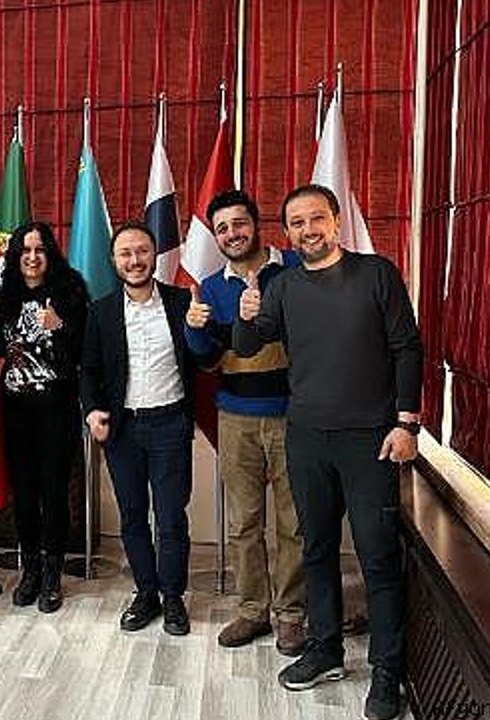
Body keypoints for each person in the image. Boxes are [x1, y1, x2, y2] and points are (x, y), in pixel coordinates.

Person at [233, 184, 422, 720]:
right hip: (306, 437)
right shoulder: (283, 286)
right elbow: (247, 346)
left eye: (316, 218)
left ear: (336, 221)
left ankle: (387, 672)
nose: (307, 230)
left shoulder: (376, 273)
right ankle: (325, 650)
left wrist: (406, 423)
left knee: (377, 557)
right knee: (314, 548)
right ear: (287, 233)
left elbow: (407, 347)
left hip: (371, 440)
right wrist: (245, 314)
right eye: (296, 223)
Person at [184, 190, 307, 656]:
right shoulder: (211, 288)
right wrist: (195, 328)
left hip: (294, 416)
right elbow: (207, 359)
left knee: (295, 522)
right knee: (243, 523)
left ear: (256, 224)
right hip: (236, 416)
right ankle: (254, 609)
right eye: (222, 229)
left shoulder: (295, 268)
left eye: (239, 223)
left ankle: (291, 614)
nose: (232, 234)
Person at [80, 222, 196, 636]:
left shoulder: (183, 302)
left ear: (154, 254)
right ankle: (146, 593)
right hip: (123, 429)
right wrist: (93, 410)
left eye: (142, 251)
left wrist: (202, 329)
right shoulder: (101, 311)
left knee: (171, 517)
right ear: (114, 261)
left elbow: (207, 355)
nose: (135, 260)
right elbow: (88, 369)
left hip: (170, 425)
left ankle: (173, 597)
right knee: (132, 516)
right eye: (126, 253)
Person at [0, 221, 89, 613]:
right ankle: (30, 568)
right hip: (15, 411)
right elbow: (0, 348)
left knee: (53, 493)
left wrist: (60, 326)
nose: (32, 257)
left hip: (56, 410)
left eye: (40, 250)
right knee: (24, 494)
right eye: (25, 250)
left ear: (50, 254)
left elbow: (88, 350)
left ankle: (52, 572)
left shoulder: (71, 291)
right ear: (16, 255)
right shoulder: (6, 295)